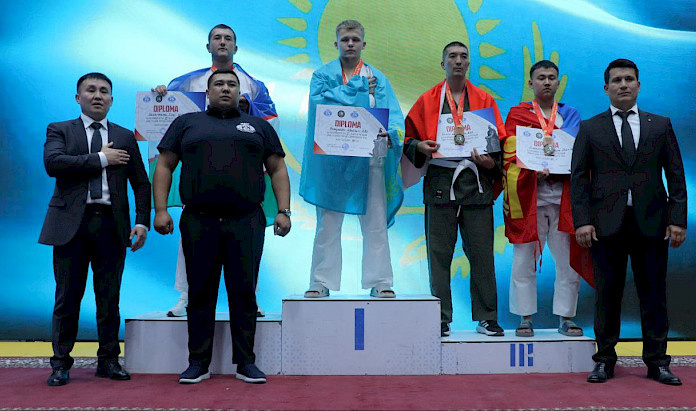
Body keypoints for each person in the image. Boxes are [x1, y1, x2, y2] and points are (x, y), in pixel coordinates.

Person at [153, 69, 291, 385]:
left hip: (246, 221)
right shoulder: (186, 123)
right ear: (207, 92)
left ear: (240, 92)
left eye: (231, 84)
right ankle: (198, 363)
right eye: (219, 84)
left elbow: (278, 169)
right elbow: (164, 166)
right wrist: (160, 210)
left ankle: (246, 363)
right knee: (200, 293)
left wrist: (284, 211)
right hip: (199, 220)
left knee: (244, 294)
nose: (225, 88)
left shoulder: (258, 126)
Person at [571, 59, 687, 385]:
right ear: (606, 88)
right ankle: (604, 361)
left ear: (638, 85)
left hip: (652, 223)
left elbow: (676, 175)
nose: (623, 84)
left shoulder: (660, 125)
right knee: (607, 296)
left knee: (654, 296)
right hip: (605, 225)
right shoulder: (590, 127)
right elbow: (578, 180)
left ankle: (658, 363)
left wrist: (678, 219)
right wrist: (582, 221)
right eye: (617, 80)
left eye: (629, 79)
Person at [153, 23, 278, 317]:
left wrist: (249, 108)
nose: (222, 42)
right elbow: (166, 117)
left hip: (240, 171)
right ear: (208, 46)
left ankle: (251, 298)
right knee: (190, 237)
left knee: (247, 248)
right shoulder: (187, 82)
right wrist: (160, 95)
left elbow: (271, 122)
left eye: (228, 38)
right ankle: (185, 297)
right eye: (217, 38)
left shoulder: (254, 85)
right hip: (198, 167)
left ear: (236, 47)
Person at [40, 72, 151, 386]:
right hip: (70, 226)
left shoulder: (125, 136)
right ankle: (60, 364)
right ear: (79, 98)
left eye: (104, 91)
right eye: (91, 90)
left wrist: (142, 221)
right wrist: (102, 158)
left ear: (112, 100)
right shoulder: (60, 129)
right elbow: (54, 164)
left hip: (111, 225)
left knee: (109, 298)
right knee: (67, 298)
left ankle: (109, 361)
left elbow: (141, 183)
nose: (98, 95)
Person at [403, 41, 505, 337]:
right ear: (443, 63)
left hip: (476, 181)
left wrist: (490, 163)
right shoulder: (428, 100)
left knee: (482, 254)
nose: (458, 61)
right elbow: (409, 139)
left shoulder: (484, 99)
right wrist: (420, 146)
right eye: (452, 56)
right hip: (440, 182)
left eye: (463, 56)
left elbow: (498, 144)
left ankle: (487, 317)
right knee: (438, 254)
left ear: (469, 63)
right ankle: (440, 317)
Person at [299, 20, 404, 298]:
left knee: (375, 221)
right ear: (336, 43)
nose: (350, 44)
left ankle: (380, 281)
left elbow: (393, 114)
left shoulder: (378, 78)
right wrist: (359, 88)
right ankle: (320, 281)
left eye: (355, 40)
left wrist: (392, 134)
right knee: (328, 223)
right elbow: (320, 106)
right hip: (332, 160)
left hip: (370, 158)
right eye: (345, 39)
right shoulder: (322, 76)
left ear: (363, 44)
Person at [502, 60, 584, 337]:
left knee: (568, 261)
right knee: (523, 260)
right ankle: (525, 317)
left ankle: (566, 317)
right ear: (530, 83)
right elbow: (508, 154)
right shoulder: (517, 114)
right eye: (541, 77)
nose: (546, 82)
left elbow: (577, 153)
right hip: (530, 197)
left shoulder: (570, 115)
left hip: (563, 198)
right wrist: (530, 172)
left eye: (551, 77)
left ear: (558, 82)